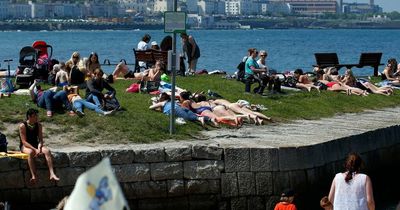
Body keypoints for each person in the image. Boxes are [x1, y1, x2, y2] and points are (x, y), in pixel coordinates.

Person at [19, 108, 60, 183]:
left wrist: (39, 147)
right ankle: (33, 175)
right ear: (29, 116)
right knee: (30, 152)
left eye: (37, 116)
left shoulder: (39, 125)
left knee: (47, 151)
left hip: (36, 144)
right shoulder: (23, 125)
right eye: (35, 116)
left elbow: (40, 139)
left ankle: (52, 173)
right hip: (25, 146)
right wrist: (35, 150)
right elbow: (24, 142)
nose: (37, 118)